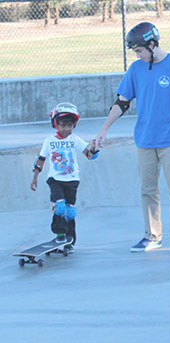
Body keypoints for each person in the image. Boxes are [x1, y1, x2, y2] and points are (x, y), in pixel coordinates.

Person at [95, 22, 170, 256]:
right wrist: (104, 129)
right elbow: (121, 102)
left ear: (153, 44)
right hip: (144, 139)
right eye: (136, 52)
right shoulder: (136, 69)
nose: (138, 55)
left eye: (140, 50)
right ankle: (152, 236)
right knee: (147, 190)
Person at [31, 102, 100, 252]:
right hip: (55, 180)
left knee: (70, 212)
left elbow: (89, 154)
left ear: (73, 126)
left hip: (72, 180)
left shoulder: (74, 139)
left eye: (69, 125)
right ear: (56, 124)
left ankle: (69, 241)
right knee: (59, 206)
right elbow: (41, 159)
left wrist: (93, 149)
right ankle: (60, 234)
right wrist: (35, 177)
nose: (66, 129)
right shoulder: (49, 141)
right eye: (62, 125)